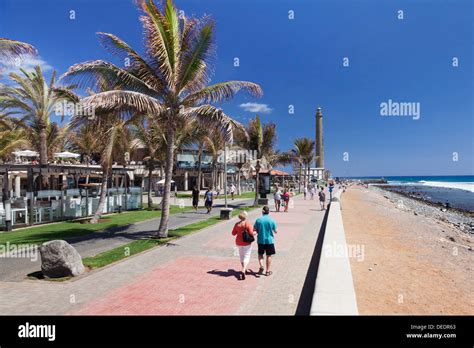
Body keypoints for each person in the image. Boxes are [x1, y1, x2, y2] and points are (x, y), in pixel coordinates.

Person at [231, 211, 256, 280]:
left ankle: (244, 269)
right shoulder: (247, 224)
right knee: (247, 256)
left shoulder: (237, 224)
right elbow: (251, 233)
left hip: (238, 242)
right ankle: (243, 270)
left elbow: (233, 233)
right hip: (246, 242)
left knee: (241, 256)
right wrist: (255, 232)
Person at [254, 206, 278, 276]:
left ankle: (261, 266)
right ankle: (267, 271)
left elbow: (255, 230)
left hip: (261, 240)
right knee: (269, 255)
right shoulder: (272, 220)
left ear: (263, 211)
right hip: (269, 241)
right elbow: (276, 231)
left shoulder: (258, 220)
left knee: (260, 254)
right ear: (268, 212)